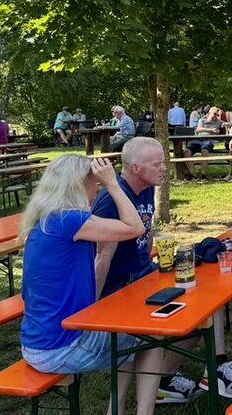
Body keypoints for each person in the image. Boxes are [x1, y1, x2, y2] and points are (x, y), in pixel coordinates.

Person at [19, 155, 182, 415]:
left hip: (36, 341)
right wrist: (114, 184)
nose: (96, 190)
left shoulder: (47, 220)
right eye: (94, 184)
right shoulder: (70, 220)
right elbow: (135, 227)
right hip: (59, 347)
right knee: (148, 333)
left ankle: (115, 411)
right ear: (77, 185)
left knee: (129, 335)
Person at [90, 138, 232, 402]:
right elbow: (101, 256)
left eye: (164, 161)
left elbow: (146, 235)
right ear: (137, 168)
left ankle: (179, 374)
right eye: (157, 163)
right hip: (121, 288)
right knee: (194, 309)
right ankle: (184, 375)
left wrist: (155, 266)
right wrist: (92, 306)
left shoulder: (147, 188)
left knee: (210, 297)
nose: (165, 167)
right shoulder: (111, 200)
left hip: (145, 274)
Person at [183, 106, 225, 179]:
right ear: (209, 113)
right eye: (215, 114)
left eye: (218, 115)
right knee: (186, 152)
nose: (216, 116)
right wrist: (210, 130)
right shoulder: (202, 120)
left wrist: (226, 125)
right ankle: (192, 174)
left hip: (208, 141)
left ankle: (203, 175)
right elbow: (198, 130)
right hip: (198, 140)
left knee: (204, 151)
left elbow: (226, 124)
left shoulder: (218, 122)